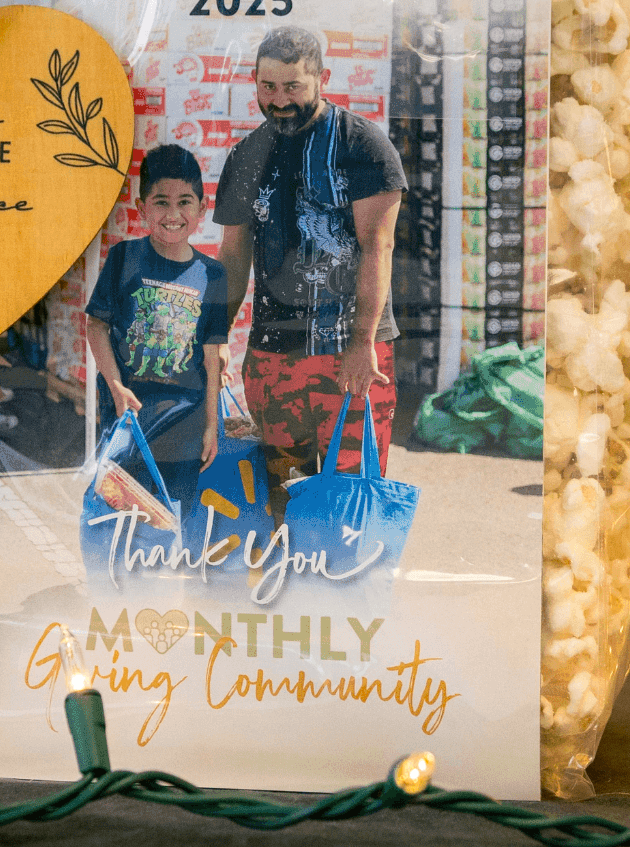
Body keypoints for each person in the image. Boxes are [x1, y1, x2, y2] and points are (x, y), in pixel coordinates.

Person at [214, 26, 406, 495]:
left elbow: (377, 248)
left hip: (351, 352)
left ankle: (347, 572)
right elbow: (234, 255)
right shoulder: (245, 156)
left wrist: (363, 342)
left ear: (322, 77)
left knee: (350, 495)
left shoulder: (362, 146)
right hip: (273, 356)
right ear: (255, 81)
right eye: (268, 87)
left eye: (293, 87)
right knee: (279, 493)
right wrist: (216, 333)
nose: (279, 100)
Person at [85, 144, 230, 511]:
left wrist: (212, 426)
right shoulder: (124, 258)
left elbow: (213, 358)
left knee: (174, 522)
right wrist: (116, 387)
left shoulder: (213, 274)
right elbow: (97, 326)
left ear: (202, 208)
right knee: (120, 521)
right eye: (161, 202)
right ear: (141, 208)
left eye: (184, 202)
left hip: (186, 427)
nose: (173, 213)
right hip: (127, 422)